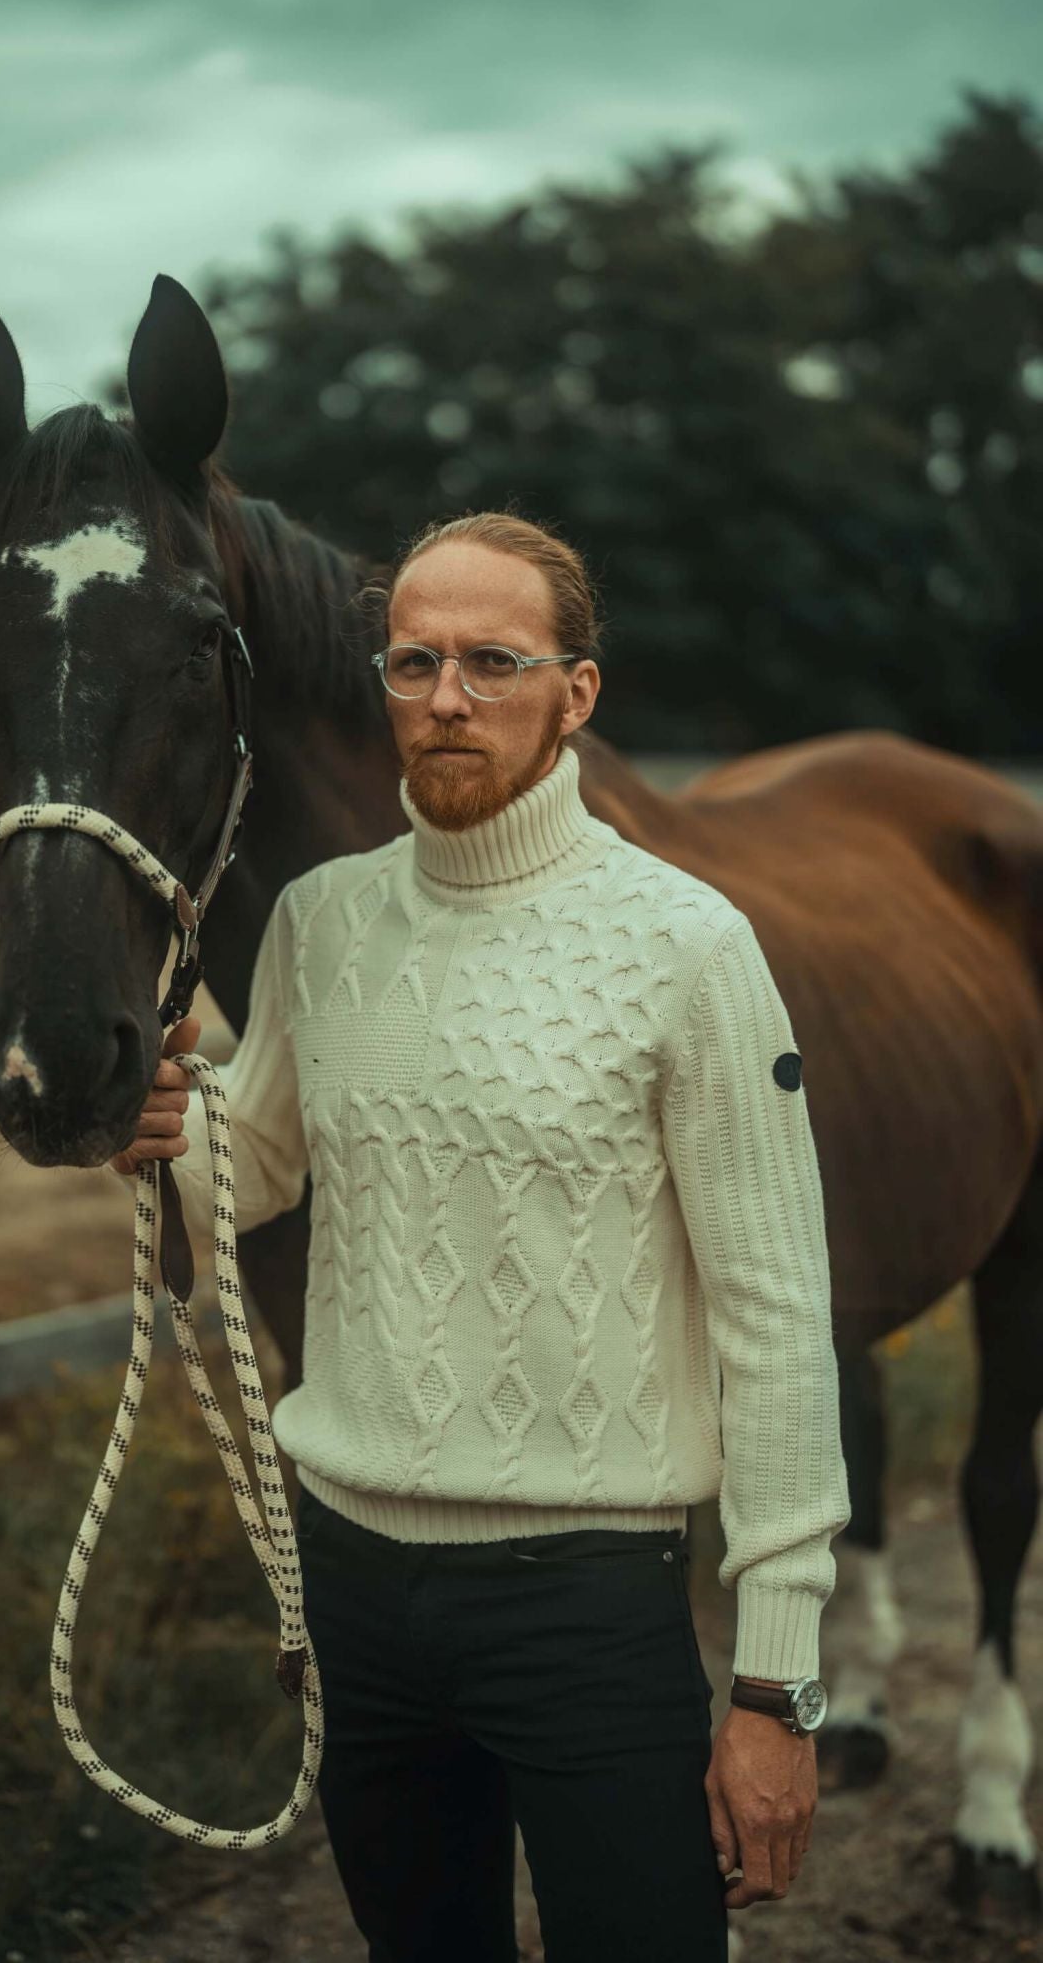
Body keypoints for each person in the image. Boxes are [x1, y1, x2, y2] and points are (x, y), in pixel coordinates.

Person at [111, 511, 850, 1961]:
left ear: (574, 694)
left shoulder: (685, 947)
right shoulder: (319, 925)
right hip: (353, 1600)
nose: (446, 697)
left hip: (582, 1602)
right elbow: (246, 1171)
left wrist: (773, 1691)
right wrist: (145, 1108)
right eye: (413, 660)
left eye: (492, 662)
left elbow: (775, 1317)